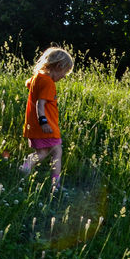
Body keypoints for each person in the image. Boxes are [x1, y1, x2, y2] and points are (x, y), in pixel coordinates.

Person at [20, 47, 74, 191]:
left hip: (33, 126)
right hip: (45, 126)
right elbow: (40, 103)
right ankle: (55, 185)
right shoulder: (48, 83)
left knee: (42, 152)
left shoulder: (38, 78)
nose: (64, 76)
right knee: (57, 151)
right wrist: (43, 121)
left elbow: (28, 83)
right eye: (64, 72)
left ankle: (27, 166)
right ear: (58, 66)